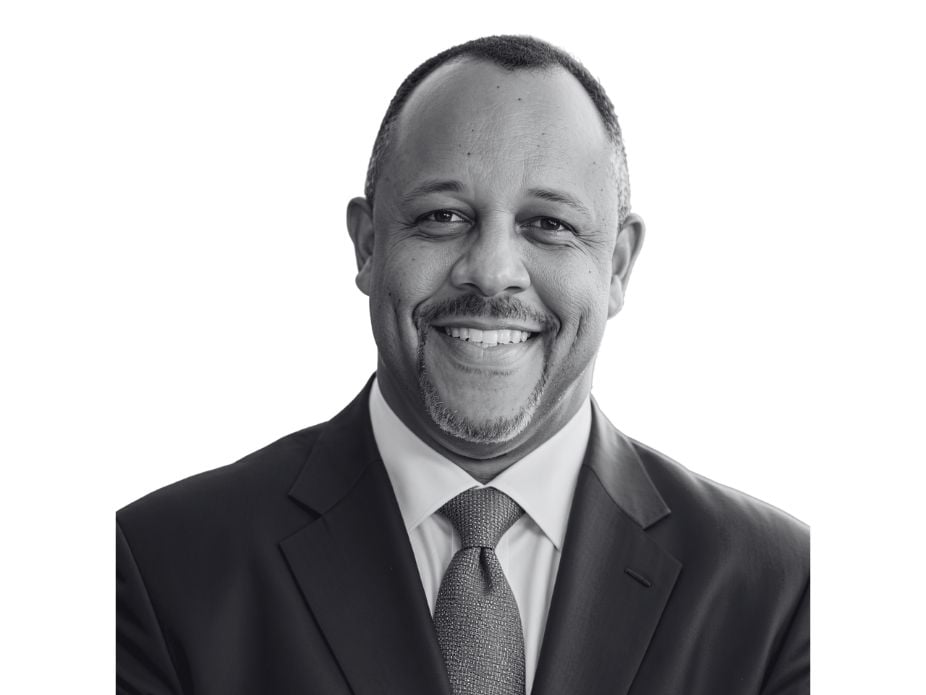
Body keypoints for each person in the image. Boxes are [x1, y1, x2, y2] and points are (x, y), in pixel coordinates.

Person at [117, 35, 809, 695]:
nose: (492, 271)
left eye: (550, 224)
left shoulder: (784, 592)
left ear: (618, 267)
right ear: (367, 245)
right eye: (444, 216)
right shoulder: (159, 566)